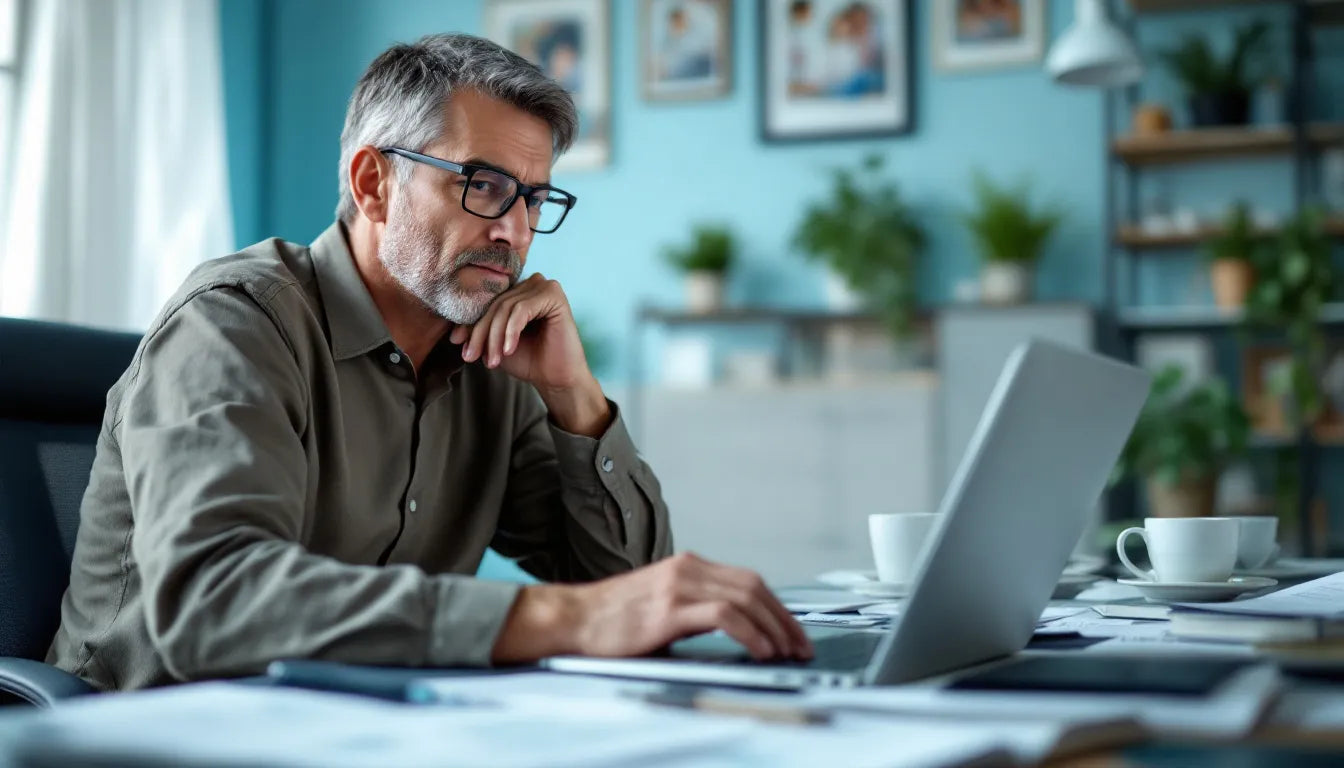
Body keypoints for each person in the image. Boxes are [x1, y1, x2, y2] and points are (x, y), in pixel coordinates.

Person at [47, 32, 811, 692]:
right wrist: (558, 619)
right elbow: (215, 602)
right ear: (374, 184)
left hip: (361, 730)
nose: (515, 230)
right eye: (483, 186)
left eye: (535, 199)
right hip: (155, 733)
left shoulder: (488, 356)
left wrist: (577, 400)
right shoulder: (234, 325)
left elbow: (625, 595)